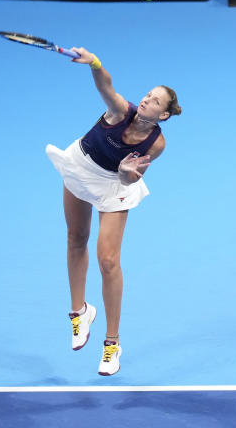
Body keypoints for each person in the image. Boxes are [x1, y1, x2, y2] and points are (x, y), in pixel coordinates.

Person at [45, 47, 181, 376]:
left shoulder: (156, 145)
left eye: (155, 101)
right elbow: (106, 86)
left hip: (114, 184)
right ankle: (80, 312)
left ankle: (112, 342)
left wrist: (125, 172)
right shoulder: (121, 112)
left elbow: (127, 177)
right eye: (147, 94)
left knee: (109, 261)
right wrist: (94, 63)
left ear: (163, 115)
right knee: (76, 238)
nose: (146, 100)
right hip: (81, 165)